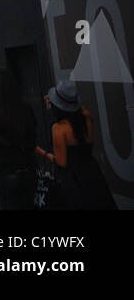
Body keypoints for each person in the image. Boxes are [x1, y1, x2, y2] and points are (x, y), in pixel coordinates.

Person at [37, 79, 116, 209]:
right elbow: (79, 109)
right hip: (92, 173)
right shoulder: (87, 118)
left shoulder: (58, 129)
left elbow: (61, 162)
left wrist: (42, 152)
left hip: (73, 180)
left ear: (57, 106)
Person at [0, 67, 37, 210]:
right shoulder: (25, 109)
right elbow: (32, 137)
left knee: (8, 203)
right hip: (26, 163)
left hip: (2, 164)